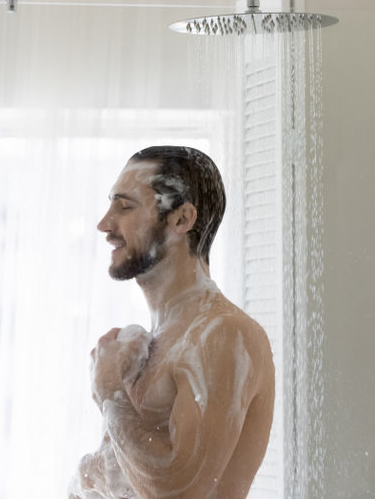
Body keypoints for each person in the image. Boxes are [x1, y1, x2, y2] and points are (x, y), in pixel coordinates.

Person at [68, 146, 275, 499]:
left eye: (125, 206)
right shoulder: (157, 341)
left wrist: (110, 392)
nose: (104, 223)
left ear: (181, 220)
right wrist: (89, 474)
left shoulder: (223, 334)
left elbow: (179, 491)